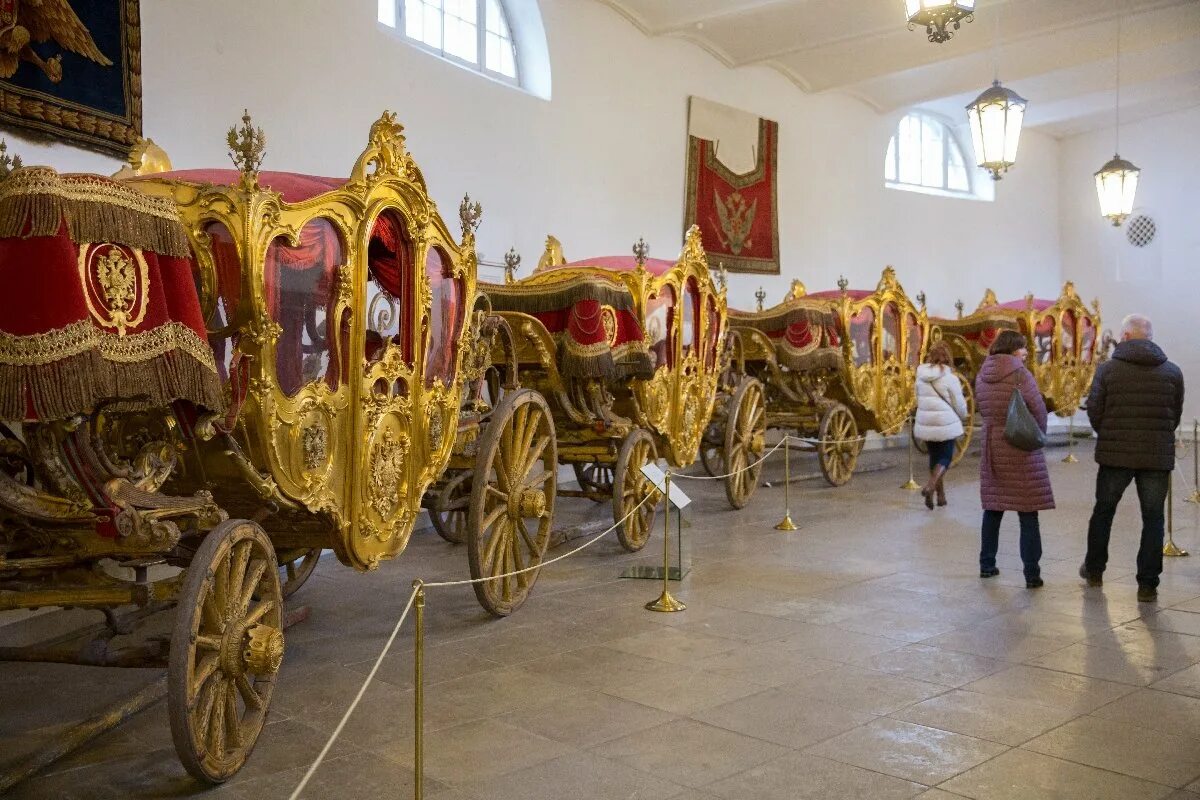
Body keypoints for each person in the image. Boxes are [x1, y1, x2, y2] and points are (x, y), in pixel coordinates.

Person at [1080, 314, 1185, 603]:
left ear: (1125, 336)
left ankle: (1094, 570)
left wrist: (1109, 433)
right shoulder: (1172, 372)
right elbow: (1174, 415)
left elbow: (1094, 409)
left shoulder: (1107, 370)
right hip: (1155, 456)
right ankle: (1148, 585)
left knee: (1104, 511)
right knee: (1153, 518)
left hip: (1116, 455)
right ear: (1150, 338)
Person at [975, 330, 1054, 588]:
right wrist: (1038, 434)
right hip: (1020, 447)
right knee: (1028, 512)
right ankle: (1032, 573)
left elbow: (982, 406)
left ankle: (987, 565)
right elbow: (1038, 408)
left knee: (993, 508)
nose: (1026, 353)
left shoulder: (983, 374)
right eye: (1022, 348)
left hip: (992, 447)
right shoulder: (1020, 374)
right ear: (1013, 350)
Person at [914, 340, 969, 509]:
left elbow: (917, 398)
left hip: (926, 422)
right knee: (945, 458)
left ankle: (941, 496)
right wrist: (963, 416)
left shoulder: (920, 375)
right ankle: (930, 486)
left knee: (934, 459)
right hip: (945, 423)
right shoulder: (950, 378)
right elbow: (959, 404)